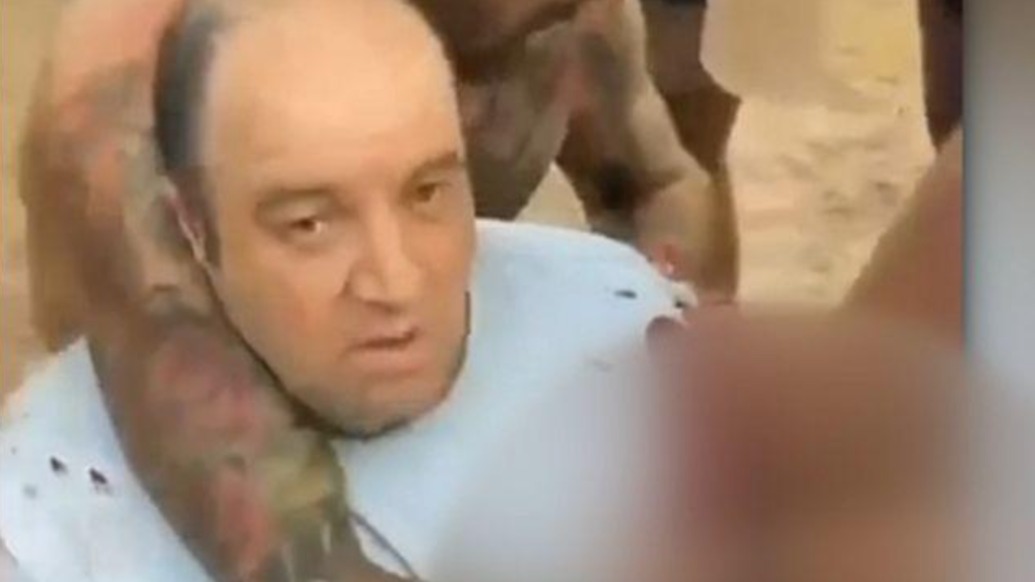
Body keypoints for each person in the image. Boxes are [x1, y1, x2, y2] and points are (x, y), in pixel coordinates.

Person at [3, 0, 682, 579]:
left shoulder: (583, 24)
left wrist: (681, 388)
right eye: (307, 222)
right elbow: (149, 308)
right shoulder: (128, 55)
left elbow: (659, 186)